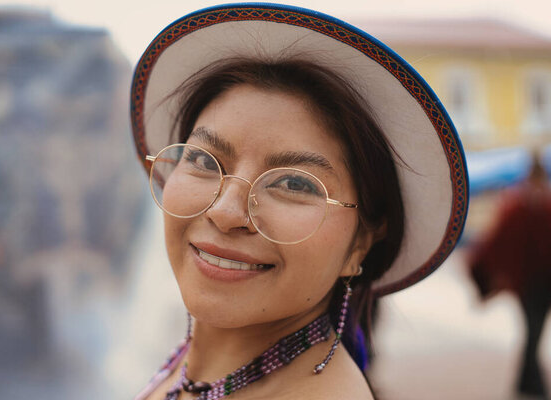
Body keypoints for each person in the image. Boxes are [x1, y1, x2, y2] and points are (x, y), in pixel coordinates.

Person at [130, 4, 468, 400]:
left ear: (361, 243)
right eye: (204, 160)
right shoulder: (197, 367)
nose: (225, 212)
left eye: (293, 183)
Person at [469, 152, 551, 398]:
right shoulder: (518, 205)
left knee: (533, 331)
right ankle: (531, 385)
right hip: (529, 284)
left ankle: (527, 383)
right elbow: (500, 243)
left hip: (544, 282)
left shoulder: (538, 205)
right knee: (533, 330)